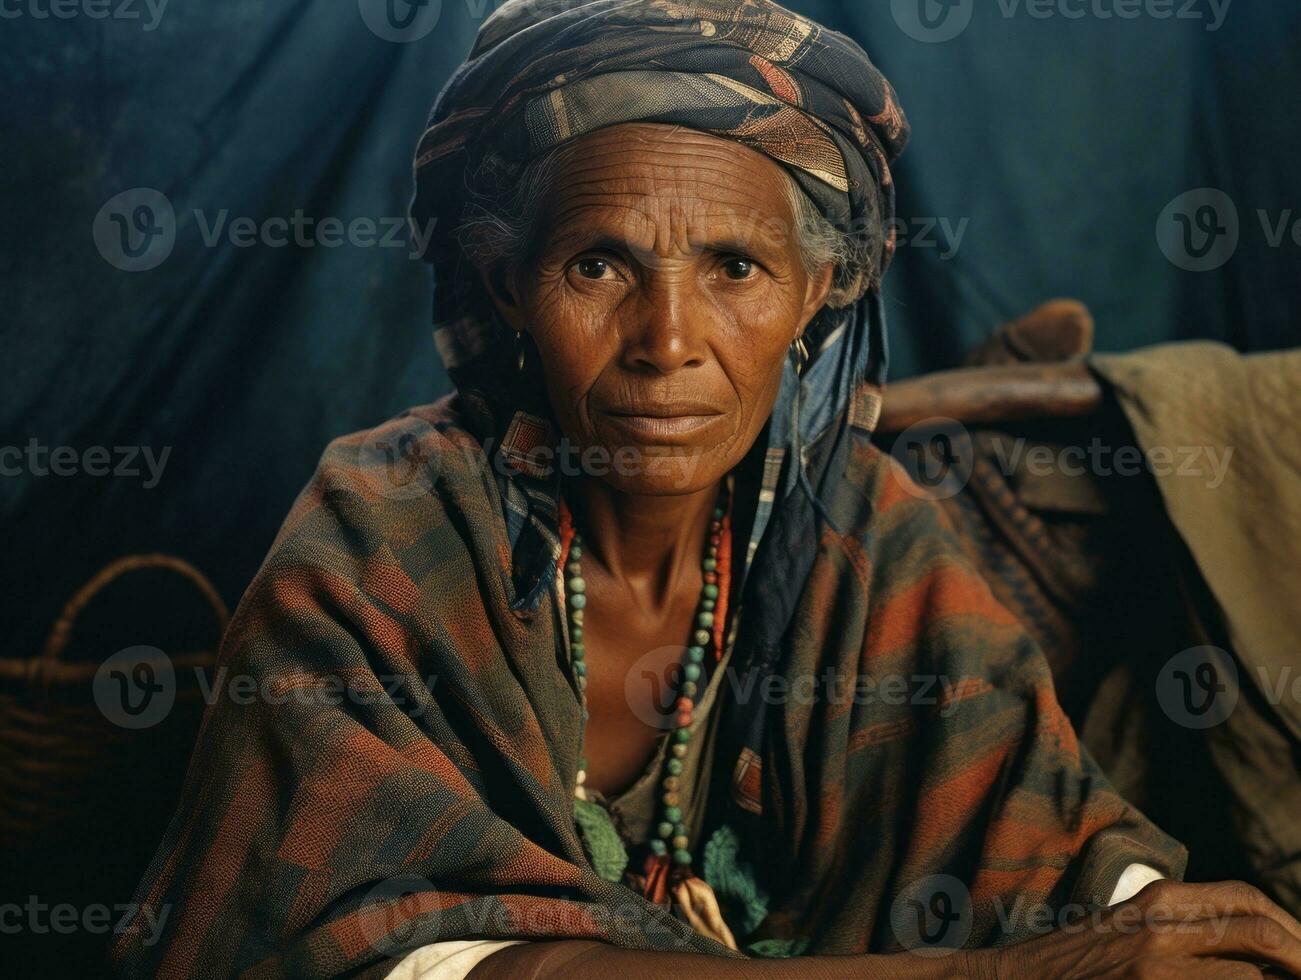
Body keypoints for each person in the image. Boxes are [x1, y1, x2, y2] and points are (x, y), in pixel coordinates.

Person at [114, 1, 1301, 977]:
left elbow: (1047, 843)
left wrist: (1151, 926)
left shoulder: (862, 534)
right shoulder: (378, 534)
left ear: (815, 297)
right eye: (597, 265)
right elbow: (389, 951)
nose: (665, 338)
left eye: (734, 267)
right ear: (509, 284)